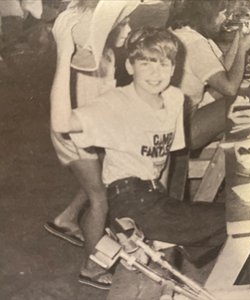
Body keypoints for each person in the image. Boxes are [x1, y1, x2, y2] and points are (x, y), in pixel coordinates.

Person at [51, 26, 227, 254]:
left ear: (174, 68)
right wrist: (64, 57)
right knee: (231, 218)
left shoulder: (174, 98)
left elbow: (165, 161)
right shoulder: (117, 102)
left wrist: (164, 198)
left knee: (226, 219)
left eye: (163, 64)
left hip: (154, 199)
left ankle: (165, 248)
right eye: (146, 64)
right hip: (128, 202)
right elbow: (62, 123)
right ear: (130, 66)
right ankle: (144, 251)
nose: (156, 74)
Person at [46, 0, 140, 290]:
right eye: (122, 24)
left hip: (72, 130)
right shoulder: (96, 62)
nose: (129, 28)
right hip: (76, 135)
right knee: (101, 196)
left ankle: (66, 218)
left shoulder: (98, 52)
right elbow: (88, 115)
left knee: (93, 180)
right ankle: (90, 268)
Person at [168, 0, 250, 150]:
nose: (225, 19)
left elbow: (223, 65)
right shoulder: (194, 43)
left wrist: (239, 37)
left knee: (243, 92)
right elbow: (229, 88)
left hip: (181, 117)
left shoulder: (187, 32)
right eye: (221, 14)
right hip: (183, 130)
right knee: (246, 99)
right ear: (205, 15)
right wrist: (242, 49)